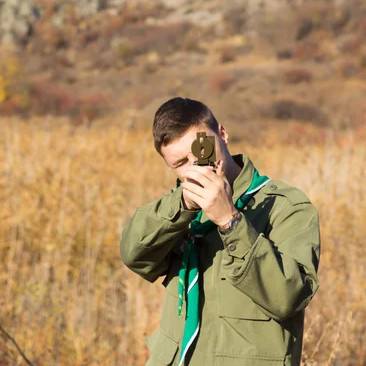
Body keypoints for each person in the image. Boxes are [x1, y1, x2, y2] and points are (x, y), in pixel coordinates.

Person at [120, 97, 320, 366]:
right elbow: (134, 255)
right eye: (180, 163)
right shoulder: (178, 212)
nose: (196, 167)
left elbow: (288, 298)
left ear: (222, 135)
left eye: (202, 151)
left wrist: (231, 222)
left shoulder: (285, 206)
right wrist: (183, 205)